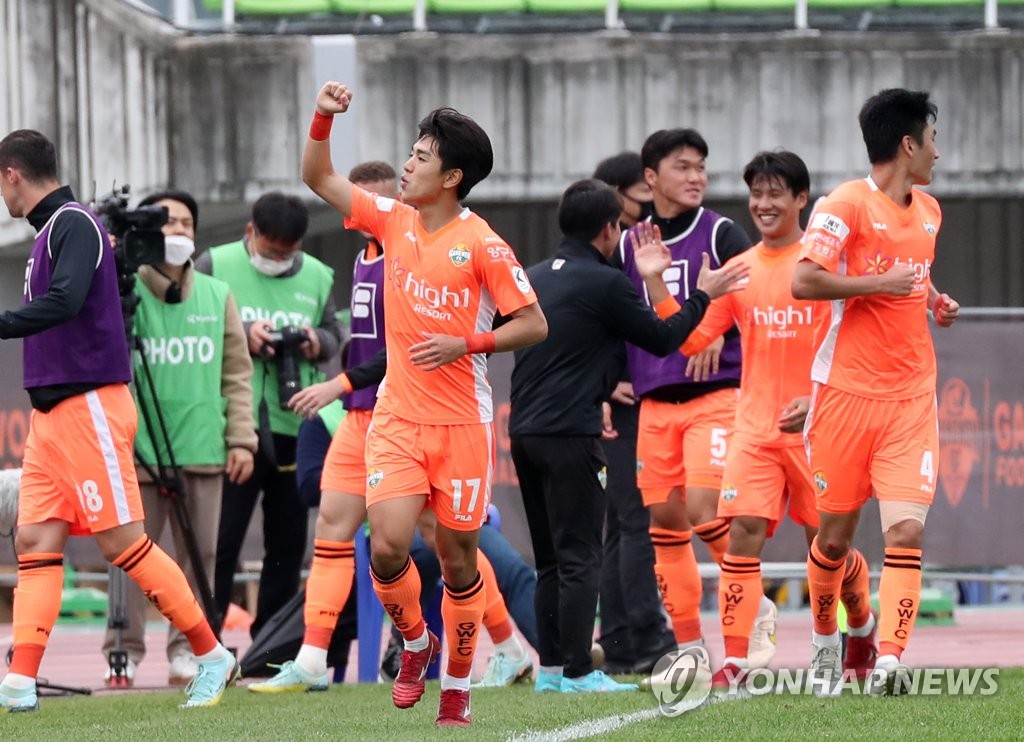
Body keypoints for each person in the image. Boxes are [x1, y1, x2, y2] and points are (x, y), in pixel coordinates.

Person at [301, 82, 548, 726]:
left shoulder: (486, 244)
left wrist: (469, 342)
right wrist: (323, 117)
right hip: (398, 418)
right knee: (387, 547)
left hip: (464, 425)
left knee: (459, 558)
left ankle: (459, 687)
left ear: (452, 176)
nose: (406, 165)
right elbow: (318, 176)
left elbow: (533, 323)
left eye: (420, 157)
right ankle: (416, 643)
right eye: (410, 153)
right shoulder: (391, 217)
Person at [247, 162, 535, 694]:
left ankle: (508, 647)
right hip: (368, 415)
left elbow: (403, 348)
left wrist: (338, 383)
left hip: (407, 411)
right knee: (333, 526)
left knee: (446, 545)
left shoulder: (416, 247)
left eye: (381, 198)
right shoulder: (367, 254)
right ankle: (312, 657)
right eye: (366, 200)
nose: (376, 208)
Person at [0, 129, 236, 712]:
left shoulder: (73, 222)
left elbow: (68, 299)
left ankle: (211, 655)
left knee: (124, 542)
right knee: (34, 539)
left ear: (11, 175)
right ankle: (21, 680)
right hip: (54, 416)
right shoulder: (55, 230)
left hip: (91, 408)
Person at [509, 179, 748, 694]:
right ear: (608, 230)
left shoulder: (531, 279)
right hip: (572, 432)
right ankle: (577, 671)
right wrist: (704, 292)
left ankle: (552, 669)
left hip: (524, 430)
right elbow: (664, 340)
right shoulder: (604, 281)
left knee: (549, 558)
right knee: (581, 556)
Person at [656, 151, 876, 692]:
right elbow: (688, 340)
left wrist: (819, 398)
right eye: (757, 193)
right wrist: (660, 286)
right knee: (743, 537)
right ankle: (736, 660)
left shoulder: (823, 268)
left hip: (819, 429)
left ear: (802, 199)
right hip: (753, 429)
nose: (764, 203)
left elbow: (859, 340)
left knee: (826, 549)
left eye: (777, 193)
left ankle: (863, 624)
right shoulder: (740, 270)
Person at [791, 88, 959, 696]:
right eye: (933, 140)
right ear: (908, 145)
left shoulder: (932, 211)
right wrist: (876, 282)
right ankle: (825, 646)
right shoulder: (845, 204)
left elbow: (914, 271)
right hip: (844, 394)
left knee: (906, 531)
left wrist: (934, 299)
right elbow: (804, 281)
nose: (938, 154)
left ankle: (890, 660)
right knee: (831, 538)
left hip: (911, 397)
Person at [618, 128, 776, 673]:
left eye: (702, 168)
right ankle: (689, 645)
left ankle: (749, 608)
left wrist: (716, 336)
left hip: (716, 395)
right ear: (651, 178)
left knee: (705, 510)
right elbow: (618, 317)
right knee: (664, 520)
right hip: (655, 398)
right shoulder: (629, 243)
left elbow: (755, 299)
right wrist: (608, 381)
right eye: (683, 167)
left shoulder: (722, 233)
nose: (696, 177)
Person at [101, 189, 258, 687]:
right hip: (138, 453)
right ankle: (121, 652)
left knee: (201, 559)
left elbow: (237, 374)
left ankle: (189, 652)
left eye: (187, 223)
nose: (179, 232)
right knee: (130, 558)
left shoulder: (217, 294)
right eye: (166, 222)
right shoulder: (122, 293)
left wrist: (241, 439)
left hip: (205, 450)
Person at [195, 192, 342, 639]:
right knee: (221, 542)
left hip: (295, 425)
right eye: (270, 249)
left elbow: (335, 335)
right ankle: (207, 641)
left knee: (288, 543)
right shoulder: (213, 265)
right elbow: (193, 322)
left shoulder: (318, 276)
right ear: (250, 233)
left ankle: (270, 644)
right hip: (232, 426)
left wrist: (314, 341)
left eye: (288, 252)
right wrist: (243, 334)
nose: (278, 259)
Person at [590, 152, 675, 673]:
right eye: (639, 199)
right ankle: (646, 634)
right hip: (616, 404)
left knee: (624, 524)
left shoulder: (632, 245)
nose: (646, 213)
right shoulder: (611, 251)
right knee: (634, 520)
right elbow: (597, 329)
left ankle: (621, 639)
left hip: (627, 397)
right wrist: (604, 387)